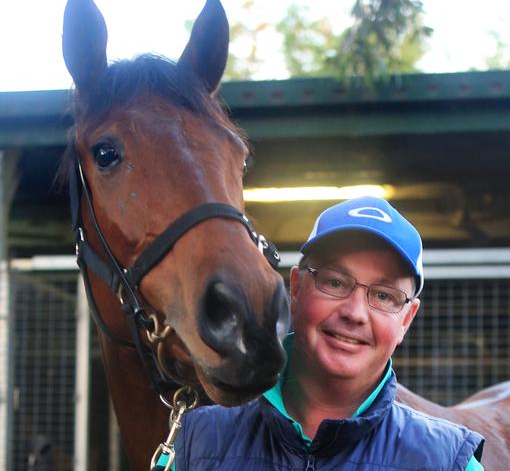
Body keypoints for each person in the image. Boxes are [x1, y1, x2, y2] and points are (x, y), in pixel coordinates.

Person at [159, 196, 485, 470]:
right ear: (297, 288)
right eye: (334, 282)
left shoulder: (449, 461)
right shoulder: (195, 445)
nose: (354, 313)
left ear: (406, 320)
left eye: (384, 296)